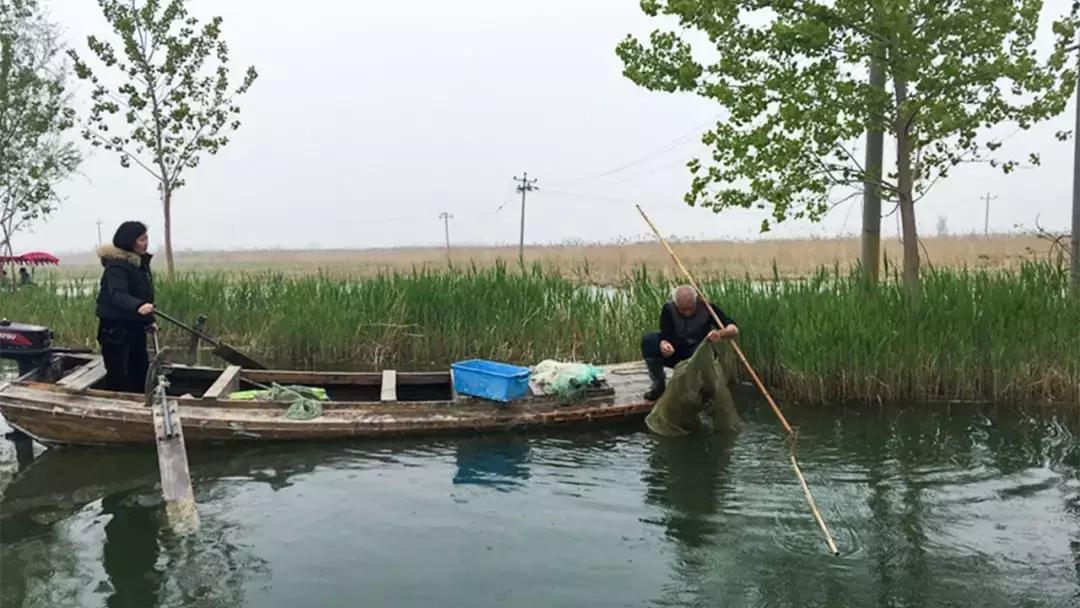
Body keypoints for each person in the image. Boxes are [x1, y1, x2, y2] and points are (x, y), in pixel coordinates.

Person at [641, 285, 738, 401]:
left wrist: (721, 333)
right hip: (675, 352)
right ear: (676, 304)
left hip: (697, 353)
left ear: (696, 301)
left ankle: (701, 389)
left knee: (707, 352)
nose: (687, 312)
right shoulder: (668, 309)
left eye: (691, 308)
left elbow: (733, 329)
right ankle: (658, 385)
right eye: (683, 309)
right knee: (649, 340)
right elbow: (665, 335)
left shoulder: (707, 307)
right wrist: (664, 345)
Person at [96, 221, 155, 392]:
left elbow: (143, 294)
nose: (146, 243)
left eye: (146, 239)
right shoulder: (116, 266)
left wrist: (148, 320)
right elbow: (118, 295)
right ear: (130, 241)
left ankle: (141, 405)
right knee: (118, 374)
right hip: (115, 330)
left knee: (141, 369)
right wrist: (139, 306)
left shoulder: (138, 264)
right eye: (142, 239)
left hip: (135, 326)